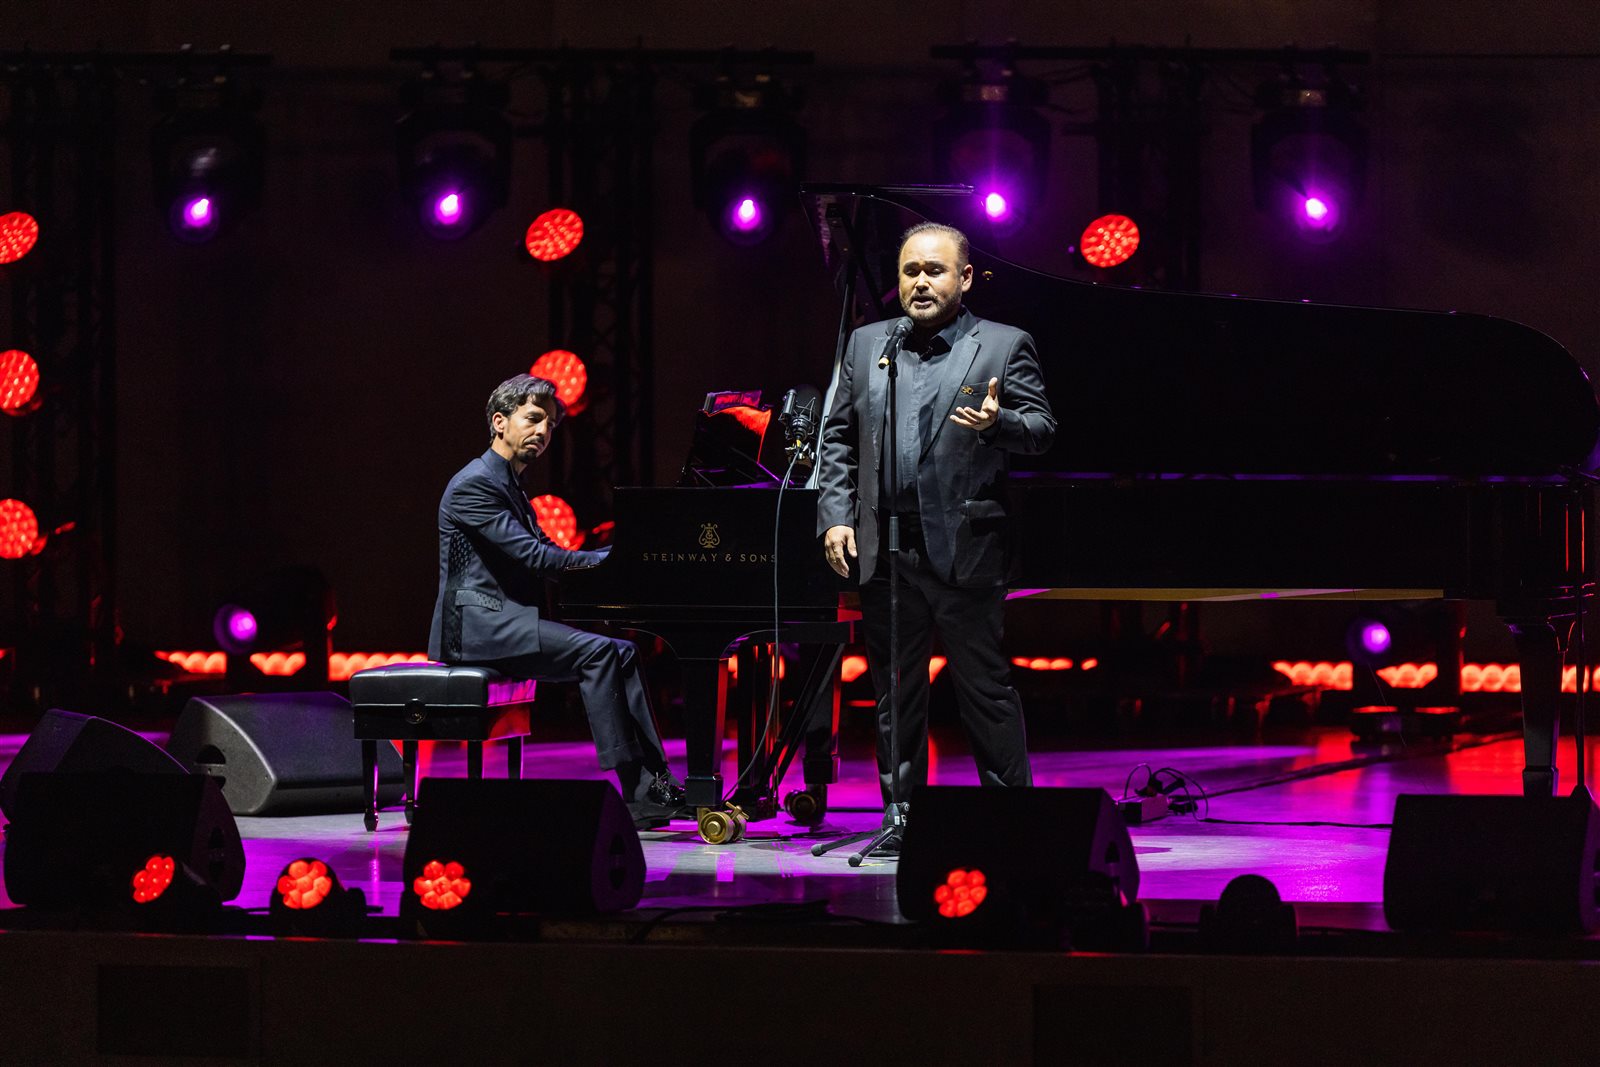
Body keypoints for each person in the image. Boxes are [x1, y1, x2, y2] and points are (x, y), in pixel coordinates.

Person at [817, 221, 1056, 815]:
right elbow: (838, 436)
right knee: (894, 693)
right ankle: (903, 819)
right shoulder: (868, 345)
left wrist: (999, 424)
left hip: (965, 549)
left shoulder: (1003, 345)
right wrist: (836, 515)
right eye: (910, 271)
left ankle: (1013, 818)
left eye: (934, 270)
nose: (920, 282)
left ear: (965, 278)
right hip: (884, 550)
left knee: (985, 690)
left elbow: (1042, 430)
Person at [428, 373, 685, 828]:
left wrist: (620, 560)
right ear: (499, 422)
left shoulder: (510, 485)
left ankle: (653, 784)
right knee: (601, 653)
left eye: (550, 424)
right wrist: (617, 559)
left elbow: (548, 552)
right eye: (533, 418)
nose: (544, 431)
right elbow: (535, 557)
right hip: (475, 625)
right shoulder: (475, 484)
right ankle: (639, 792)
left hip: (505, 621)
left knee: (623, 652)